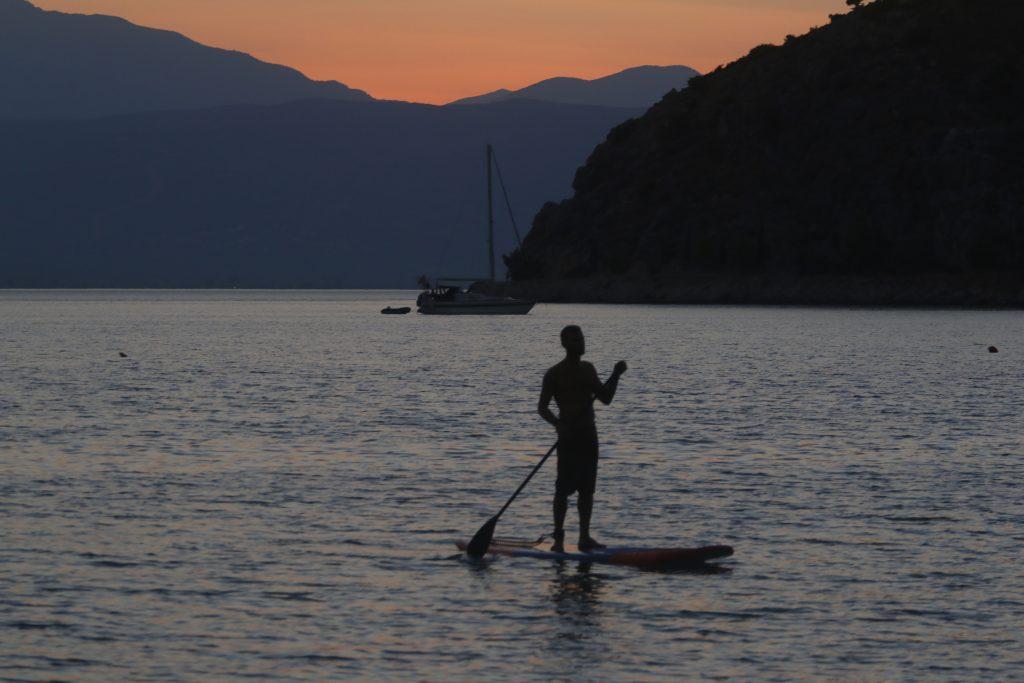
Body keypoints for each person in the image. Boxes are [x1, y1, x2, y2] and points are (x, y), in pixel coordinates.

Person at [538, 325, 627, 552]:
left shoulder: (588, 369)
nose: (581, 343)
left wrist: (615, 375)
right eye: (576, 340)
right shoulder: (554, 373)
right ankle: (558, 539)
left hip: (588, 435)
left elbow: (605, 398)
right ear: (565, 344)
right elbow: (542, 408)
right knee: (562, 490)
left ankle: (584, 537)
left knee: (587, 490)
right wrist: (558, 425)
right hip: (569, 438)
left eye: (582, 339)